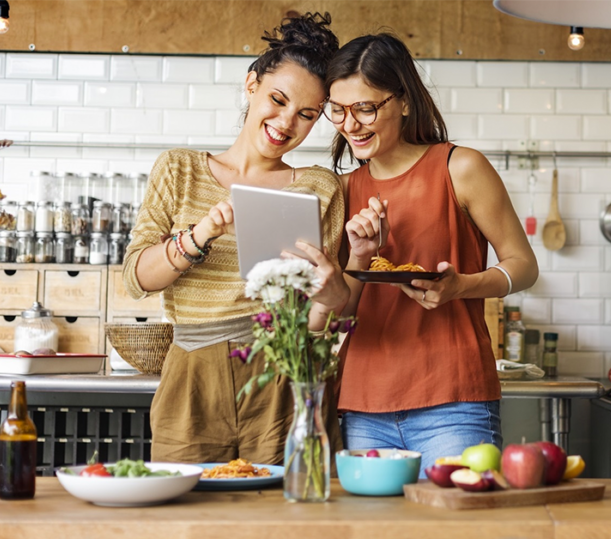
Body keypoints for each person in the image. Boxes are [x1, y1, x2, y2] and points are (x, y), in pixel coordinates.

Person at [122, 12, 348, 464]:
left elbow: (318, 312)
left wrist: (330, 293)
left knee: (288, 524)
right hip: (192, 371)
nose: (286, 122)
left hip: (283, 371)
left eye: (306, 115)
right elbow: (136, 279)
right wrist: (201, 233)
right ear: (251, 85)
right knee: (184, 522)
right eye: (277, 100)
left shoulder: (321, 186)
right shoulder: (179, 169)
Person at [325, 33, 539, 472]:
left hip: (453, 399)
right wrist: (359, 258)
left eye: (366, 108)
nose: (351, 125)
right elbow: (340, 311)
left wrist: (462, 286)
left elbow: (524, 265)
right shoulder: (342, 190)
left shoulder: (460, 167)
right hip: (364, 401)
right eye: (338, 110)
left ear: (403, 101)